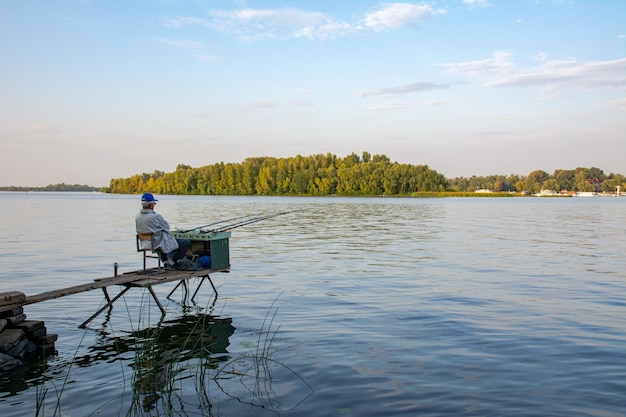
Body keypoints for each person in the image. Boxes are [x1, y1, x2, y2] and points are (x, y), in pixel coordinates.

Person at [135, 193, 191, 269]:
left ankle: (165, 261)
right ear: (151, 205)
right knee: (186, 242)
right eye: (154, 204)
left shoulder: (137, 217)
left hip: (145, 244)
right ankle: (174, 262)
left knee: (159, 240)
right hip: (157, 243)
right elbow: (167, 227)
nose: (154, 206)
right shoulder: (156, 217)